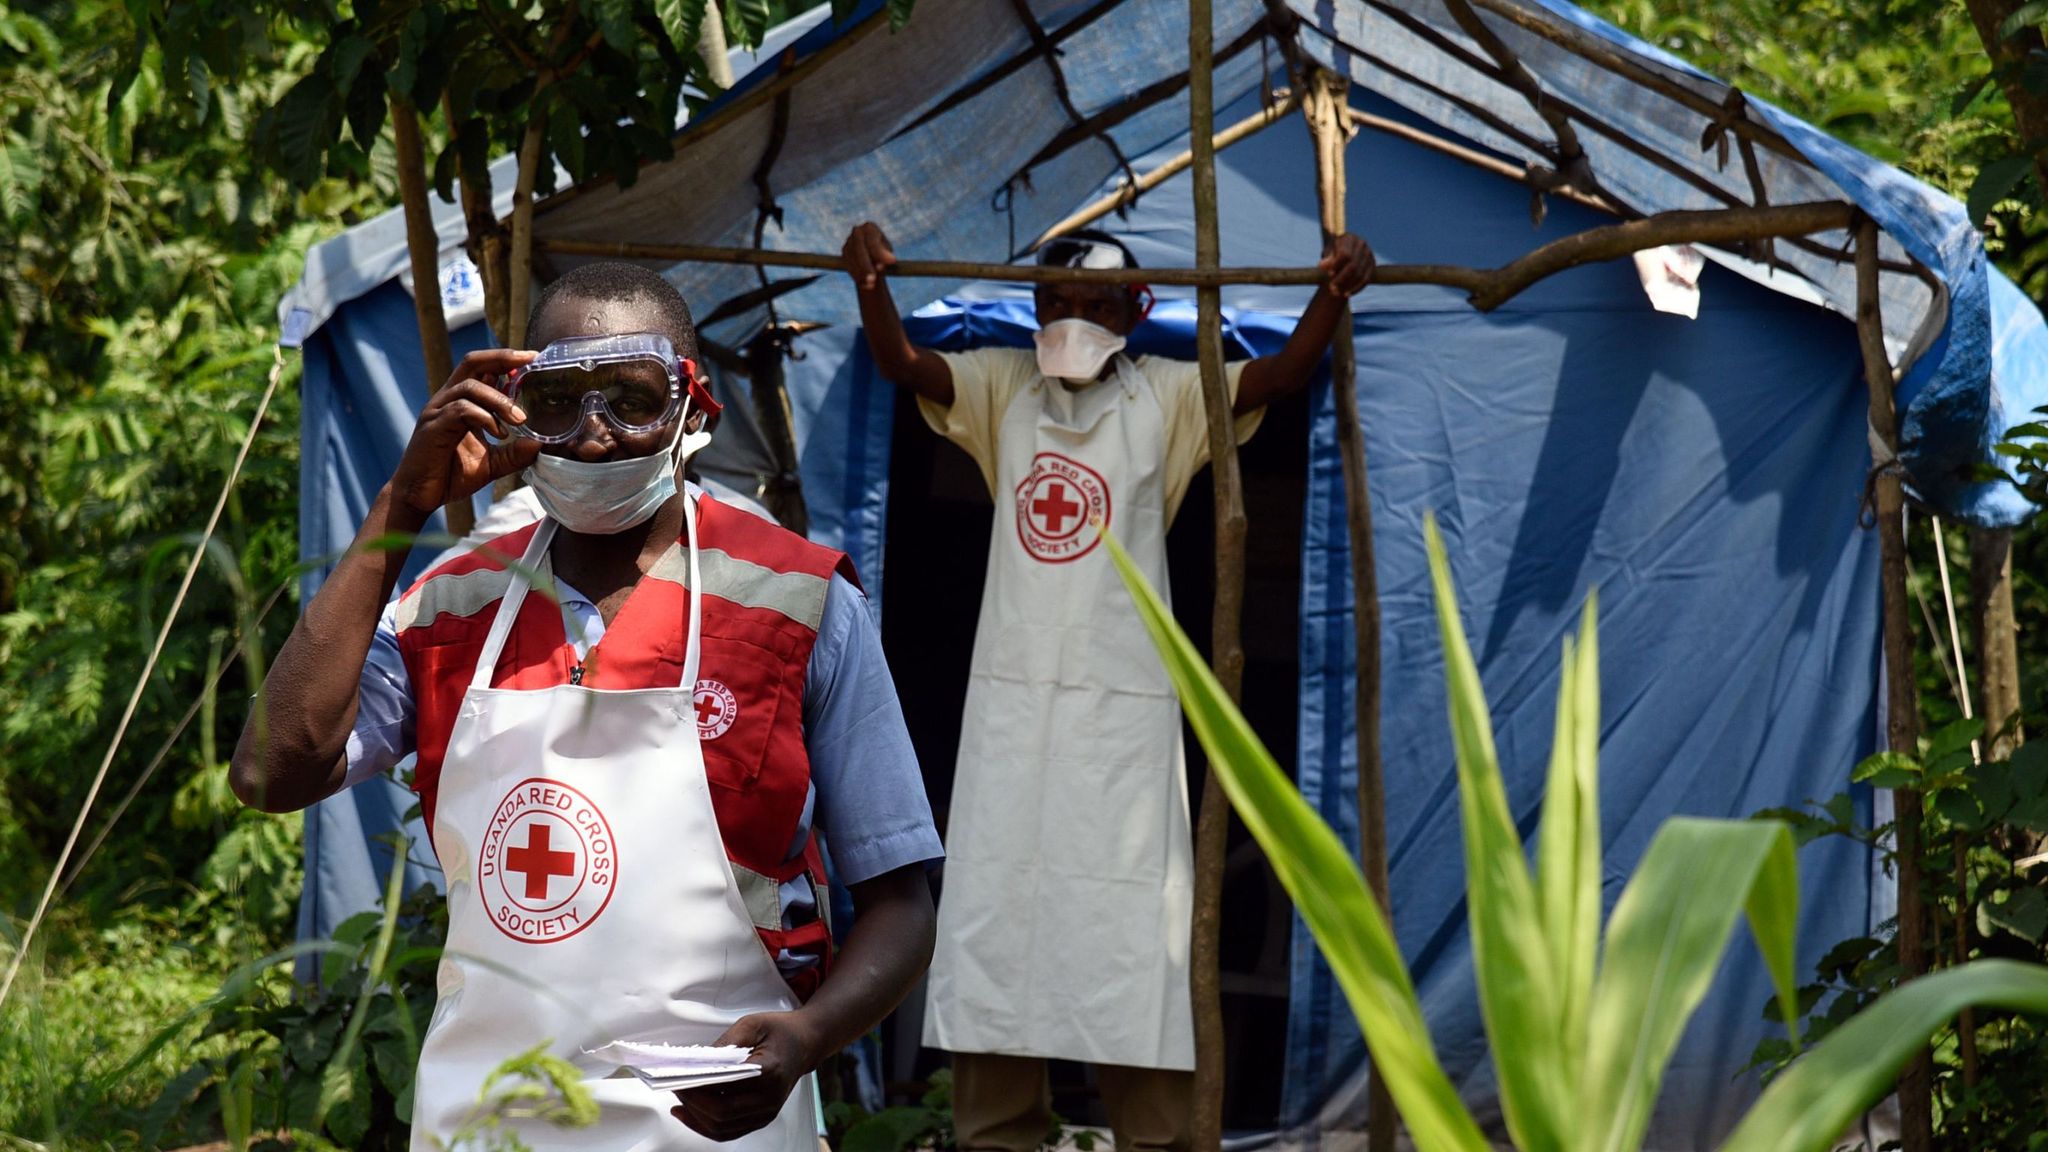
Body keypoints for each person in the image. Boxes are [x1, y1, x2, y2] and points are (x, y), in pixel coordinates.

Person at [230, 262, 941, 1151]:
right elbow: (270, 771)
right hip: (486, 1123)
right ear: (516, 411)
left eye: (632, 399)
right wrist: (399, 506)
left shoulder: (799, 602)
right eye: (561, 401)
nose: (596, 436)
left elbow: (902, 902)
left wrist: (807, 1038)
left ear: (696, 407)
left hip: (718, 1128)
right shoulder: (448, 607)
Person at [841, 223, 1374, 1152]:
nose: (1074, 318)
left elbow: (1284, 377)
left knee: (1135, 937)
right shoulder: (1001, 382)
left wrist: (1334, 290)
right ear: (1034, 307)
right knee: (1000, 919)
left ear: (1139, 313)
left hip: (1123, 725)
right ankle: (994, 1134)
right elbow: (900, 362)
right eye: (1058, 301)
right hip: (1012, 715)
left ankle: (1157, 1139)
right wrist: (872, 281)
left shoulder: (1170, 394)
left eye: (1097, 305)